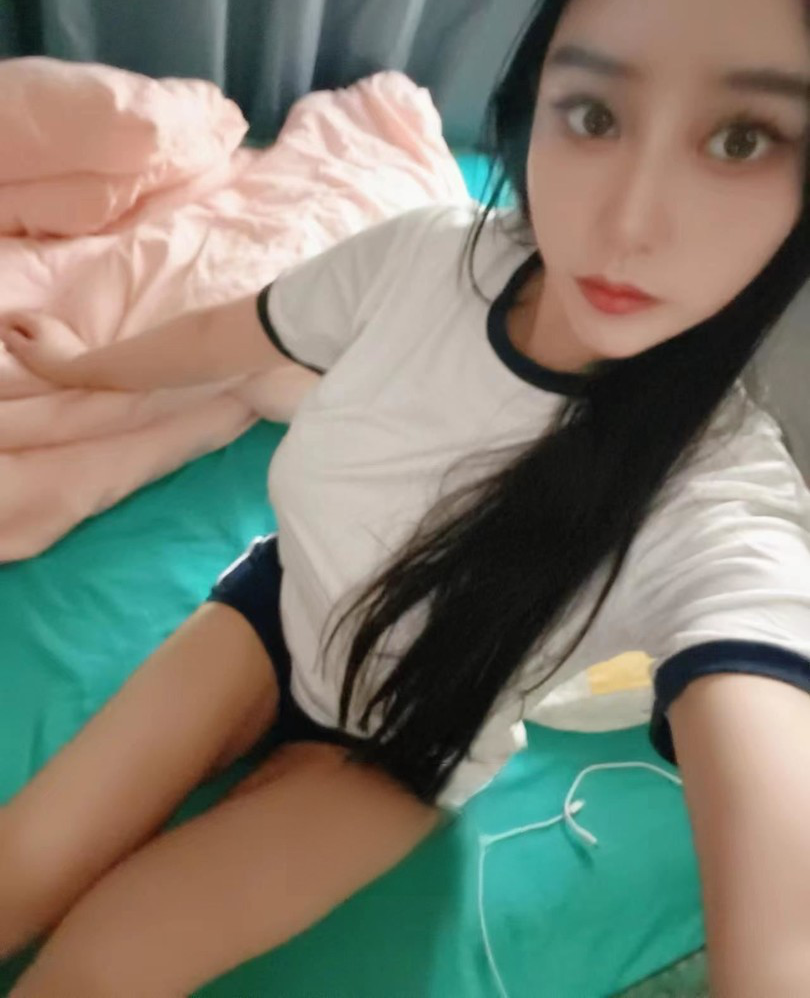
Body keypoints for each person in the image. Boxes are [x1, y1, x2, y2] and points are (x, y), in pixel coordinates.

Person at [2, 0, 810, 993]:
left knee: (103, 968)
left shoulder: (719, 489)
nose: (630, 221)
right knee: (16, 873)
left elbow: (780, 868)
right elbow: (227, 334)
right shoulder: (423, 258)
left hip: (402, 750)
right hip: (271, 615)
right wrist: (83, 365)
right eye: (596, 114)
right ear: (534, 104)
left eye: (741, 140)